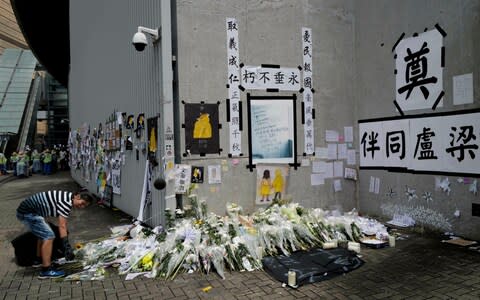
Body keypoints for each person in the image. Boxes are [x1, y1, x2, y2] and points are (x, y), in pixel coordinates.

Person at [16, 190, 93, 279]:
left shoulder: (67, 196)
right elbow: (62, 226)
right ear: (77, 196)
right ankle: (46, 270)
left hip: (29, 210)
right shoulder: (66, 202)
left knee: (43, 234)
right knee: (49, 236)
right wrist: (66, 246)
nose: (82, 207)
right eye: (82, 203)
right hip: (28, 212)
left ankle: (38, 260)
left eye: (85, 206)